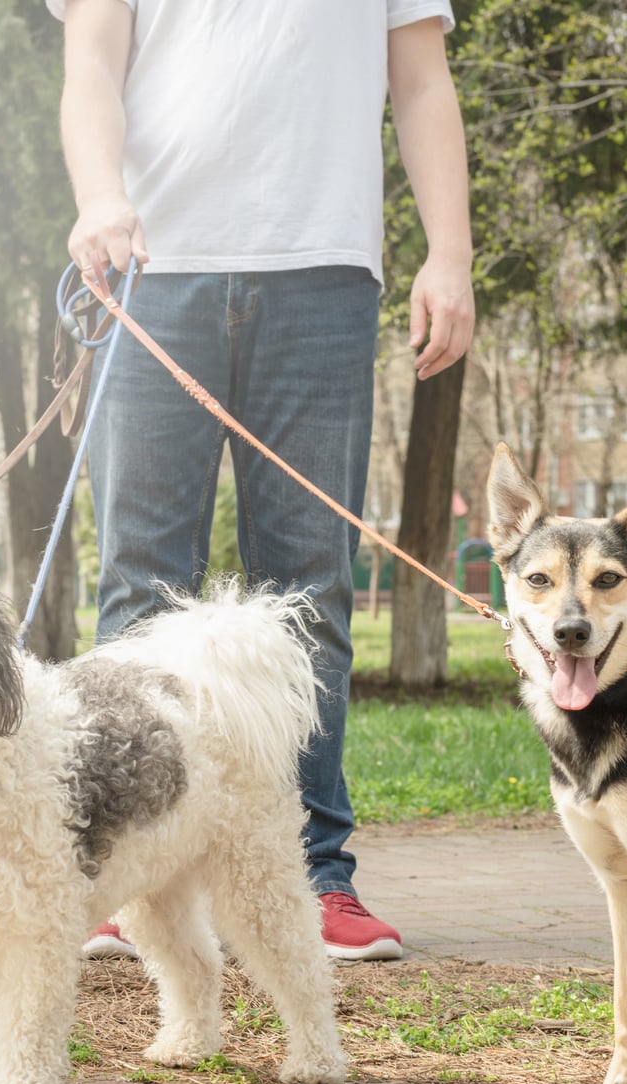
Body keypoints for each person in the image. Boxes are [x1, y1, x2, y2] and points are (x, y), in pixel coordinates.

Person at [53, 0, 475, 961]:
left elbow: (420, 82)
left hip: (322, 276)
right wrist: (97, 194)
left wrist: (448, 254)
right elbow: (90, 68)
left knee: (311, 590)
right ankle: (126, 871)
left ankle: (316, 876)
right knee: (141, 584)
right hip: (149, 268)